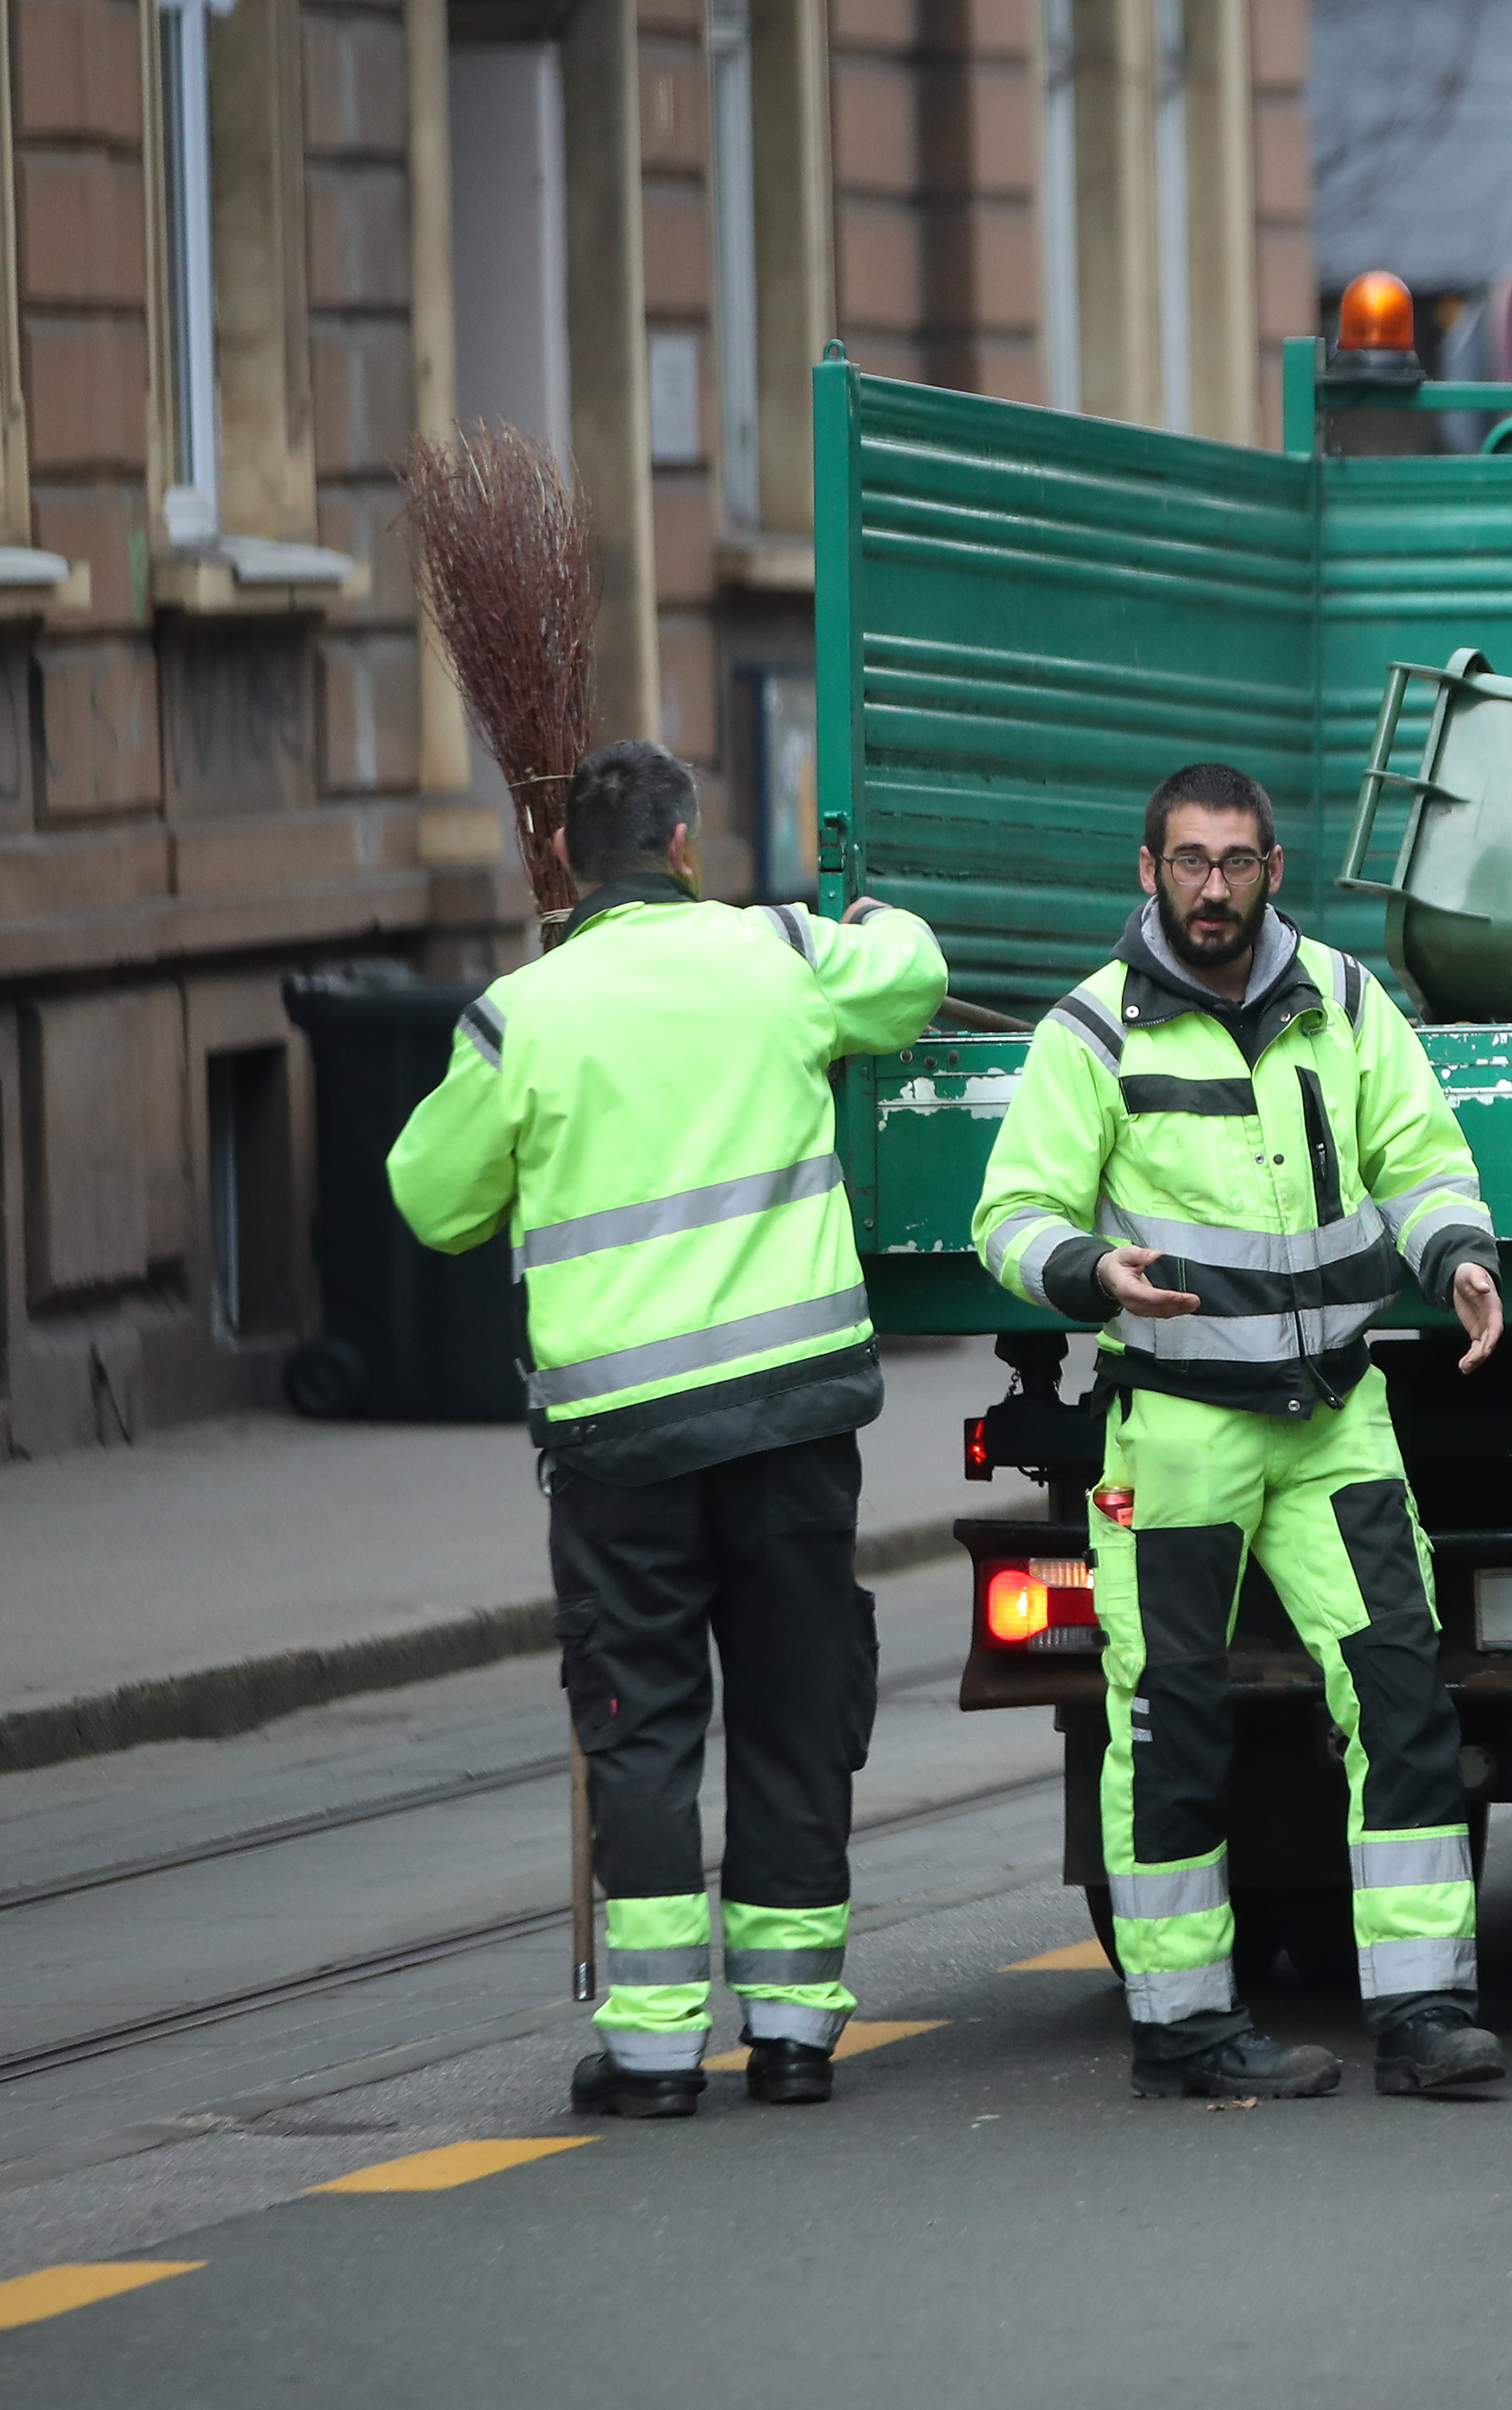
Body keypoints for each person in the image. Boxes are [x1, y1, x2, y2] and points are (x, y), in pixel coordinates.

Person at [387, 739, 946, 2117]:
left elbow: (428, 1197)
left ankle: (648, 2054)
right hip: (792, 1422)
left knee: (639, 1727)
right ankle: (798, 2031)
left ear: (571, 863)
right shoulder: (780, 955)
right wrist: (867, 923)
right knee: (793, 1711)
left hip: (622, 1444)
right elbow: (918, 977)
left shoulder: (524, 1013)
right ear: (687, 847)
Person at [971, 761, 1512, 2101]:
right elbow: (1013, 1213)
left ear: (1276, 869)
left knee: (1402, 1695)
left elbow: (1421, 1152)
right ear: (1147, 871)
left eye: (1239, 862)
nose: (1214, 887)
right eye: (1189, 862)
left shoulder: (1342, 997)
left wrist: (1458, 1257)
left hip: (1334, 1417)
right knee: (1171, 1721)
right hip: (1181, 1432)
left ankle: (1425, 2009)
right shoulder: (1093, 1033)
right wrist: (1094, 1275)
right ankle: (1183, 2026)